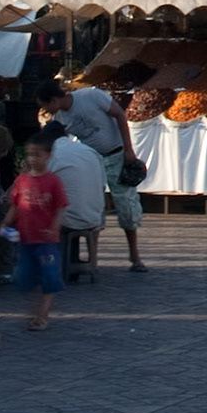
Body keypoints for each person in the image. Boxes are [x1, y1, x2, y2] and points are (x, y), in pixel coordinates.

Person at [35, 80, 148, 272]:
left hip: (117, 153)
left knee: (126, 204)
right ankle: (93, 258)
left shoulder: (90, 96)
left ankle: (134, 254)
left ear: (53, 100)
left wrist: (128, 149)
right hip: (93, 161)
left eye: (45, 105)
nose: (46, 110)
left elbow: (120, 115)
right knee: (94, 205)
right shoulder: (61, 119)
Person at [4, 131, 68, 330]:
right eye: (29, 154)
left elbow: (60, 207)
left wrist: (54, 228)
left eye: (37, 154)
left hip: (46, 240)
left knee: (49, 276)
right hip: (26, 238)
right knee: (25, 278)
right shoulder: (22, 180)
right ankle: (35, 309)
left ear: (48, 156)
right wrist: (5, 224)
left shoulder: (53, 181)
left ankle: (42, 314)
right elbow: (15, 206)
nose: (32, 159)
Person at [47, 132, 109, 263]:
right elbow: (103, 187)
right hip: (94, 218)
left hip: (66, 220)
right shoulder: (91, 152)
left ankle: (52, 263)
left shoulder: (53, 154)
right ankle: (93, 260)